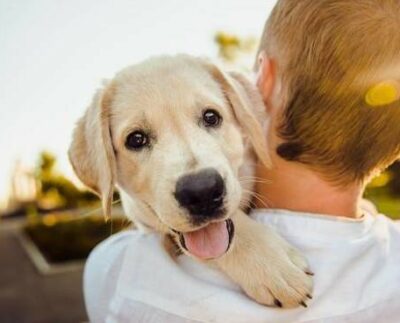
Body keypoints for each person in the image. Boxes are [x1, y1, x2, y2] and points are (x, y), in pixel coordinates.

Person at [84, 0, 400, 322]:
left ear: (261, 81)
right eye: (138, 140)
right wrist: (240, 241)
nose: (197, 180)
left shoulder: (117, 275)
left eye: (210, 118)